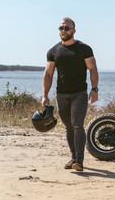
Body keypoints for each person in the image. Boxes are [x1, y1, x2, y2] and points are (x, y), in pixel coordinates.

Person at [42, 17, 99, 172]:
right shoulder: (53, 51)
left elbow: (93, 69)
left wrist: (94, 89)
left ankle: (79, 161)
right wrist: (45, 95)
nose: (64, 31)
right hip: (61, 94)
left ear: (74, 30)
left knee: (77, 124)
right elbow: (48, 74)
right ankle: (74, 157)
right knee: (68, 127)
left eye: (67, 28)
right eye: (61, 28)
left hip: (79, 93)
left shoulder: (84, 49)